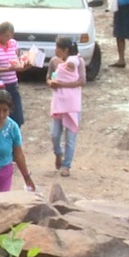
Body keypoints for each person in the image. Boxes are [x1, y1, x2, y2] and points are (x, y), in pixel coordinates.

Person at [47, 36, 85, 178]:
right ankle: (58, 152)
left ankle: (66, 165)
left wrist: (62, 85)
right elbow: (48, 77)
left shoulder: (78, 61)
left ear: (66, 50)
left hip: (72, 104)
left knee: (70, 137)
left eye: (58, 48)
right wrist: (51, 82)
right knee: (54, 134)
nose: (55, 50)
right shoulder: (54, 61)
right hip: (58, 102)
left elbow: (82, 81)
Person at [0, 21, 26, 126]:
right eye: (6, 36)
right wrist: (7, 69)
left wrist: (24, 64)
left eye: (10, 36)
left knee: (17, 117)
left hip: (12, 82)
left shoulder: (13, 43)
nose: (8, 38)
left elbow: (16, 60)